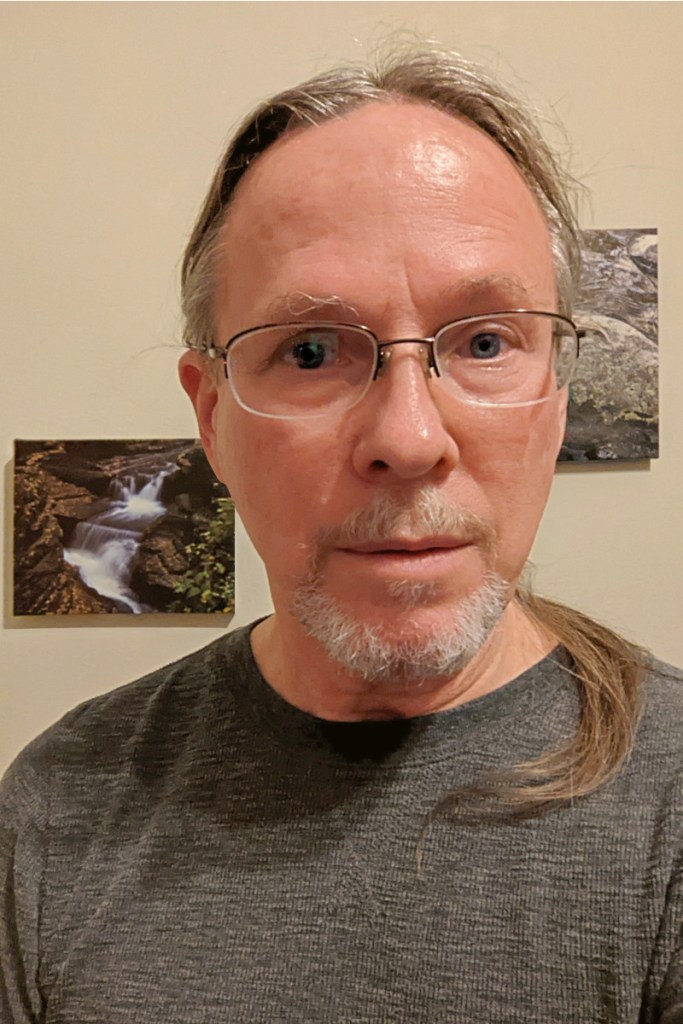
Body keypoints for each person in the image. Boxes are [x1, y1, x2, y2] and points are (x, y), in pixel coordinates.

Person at [1, 45, 682, 1023]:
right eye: (312, 350)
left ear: (556, 395)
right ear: (212, 416)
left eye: (485, 341)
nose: (408, 439)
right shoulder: (50, 817)